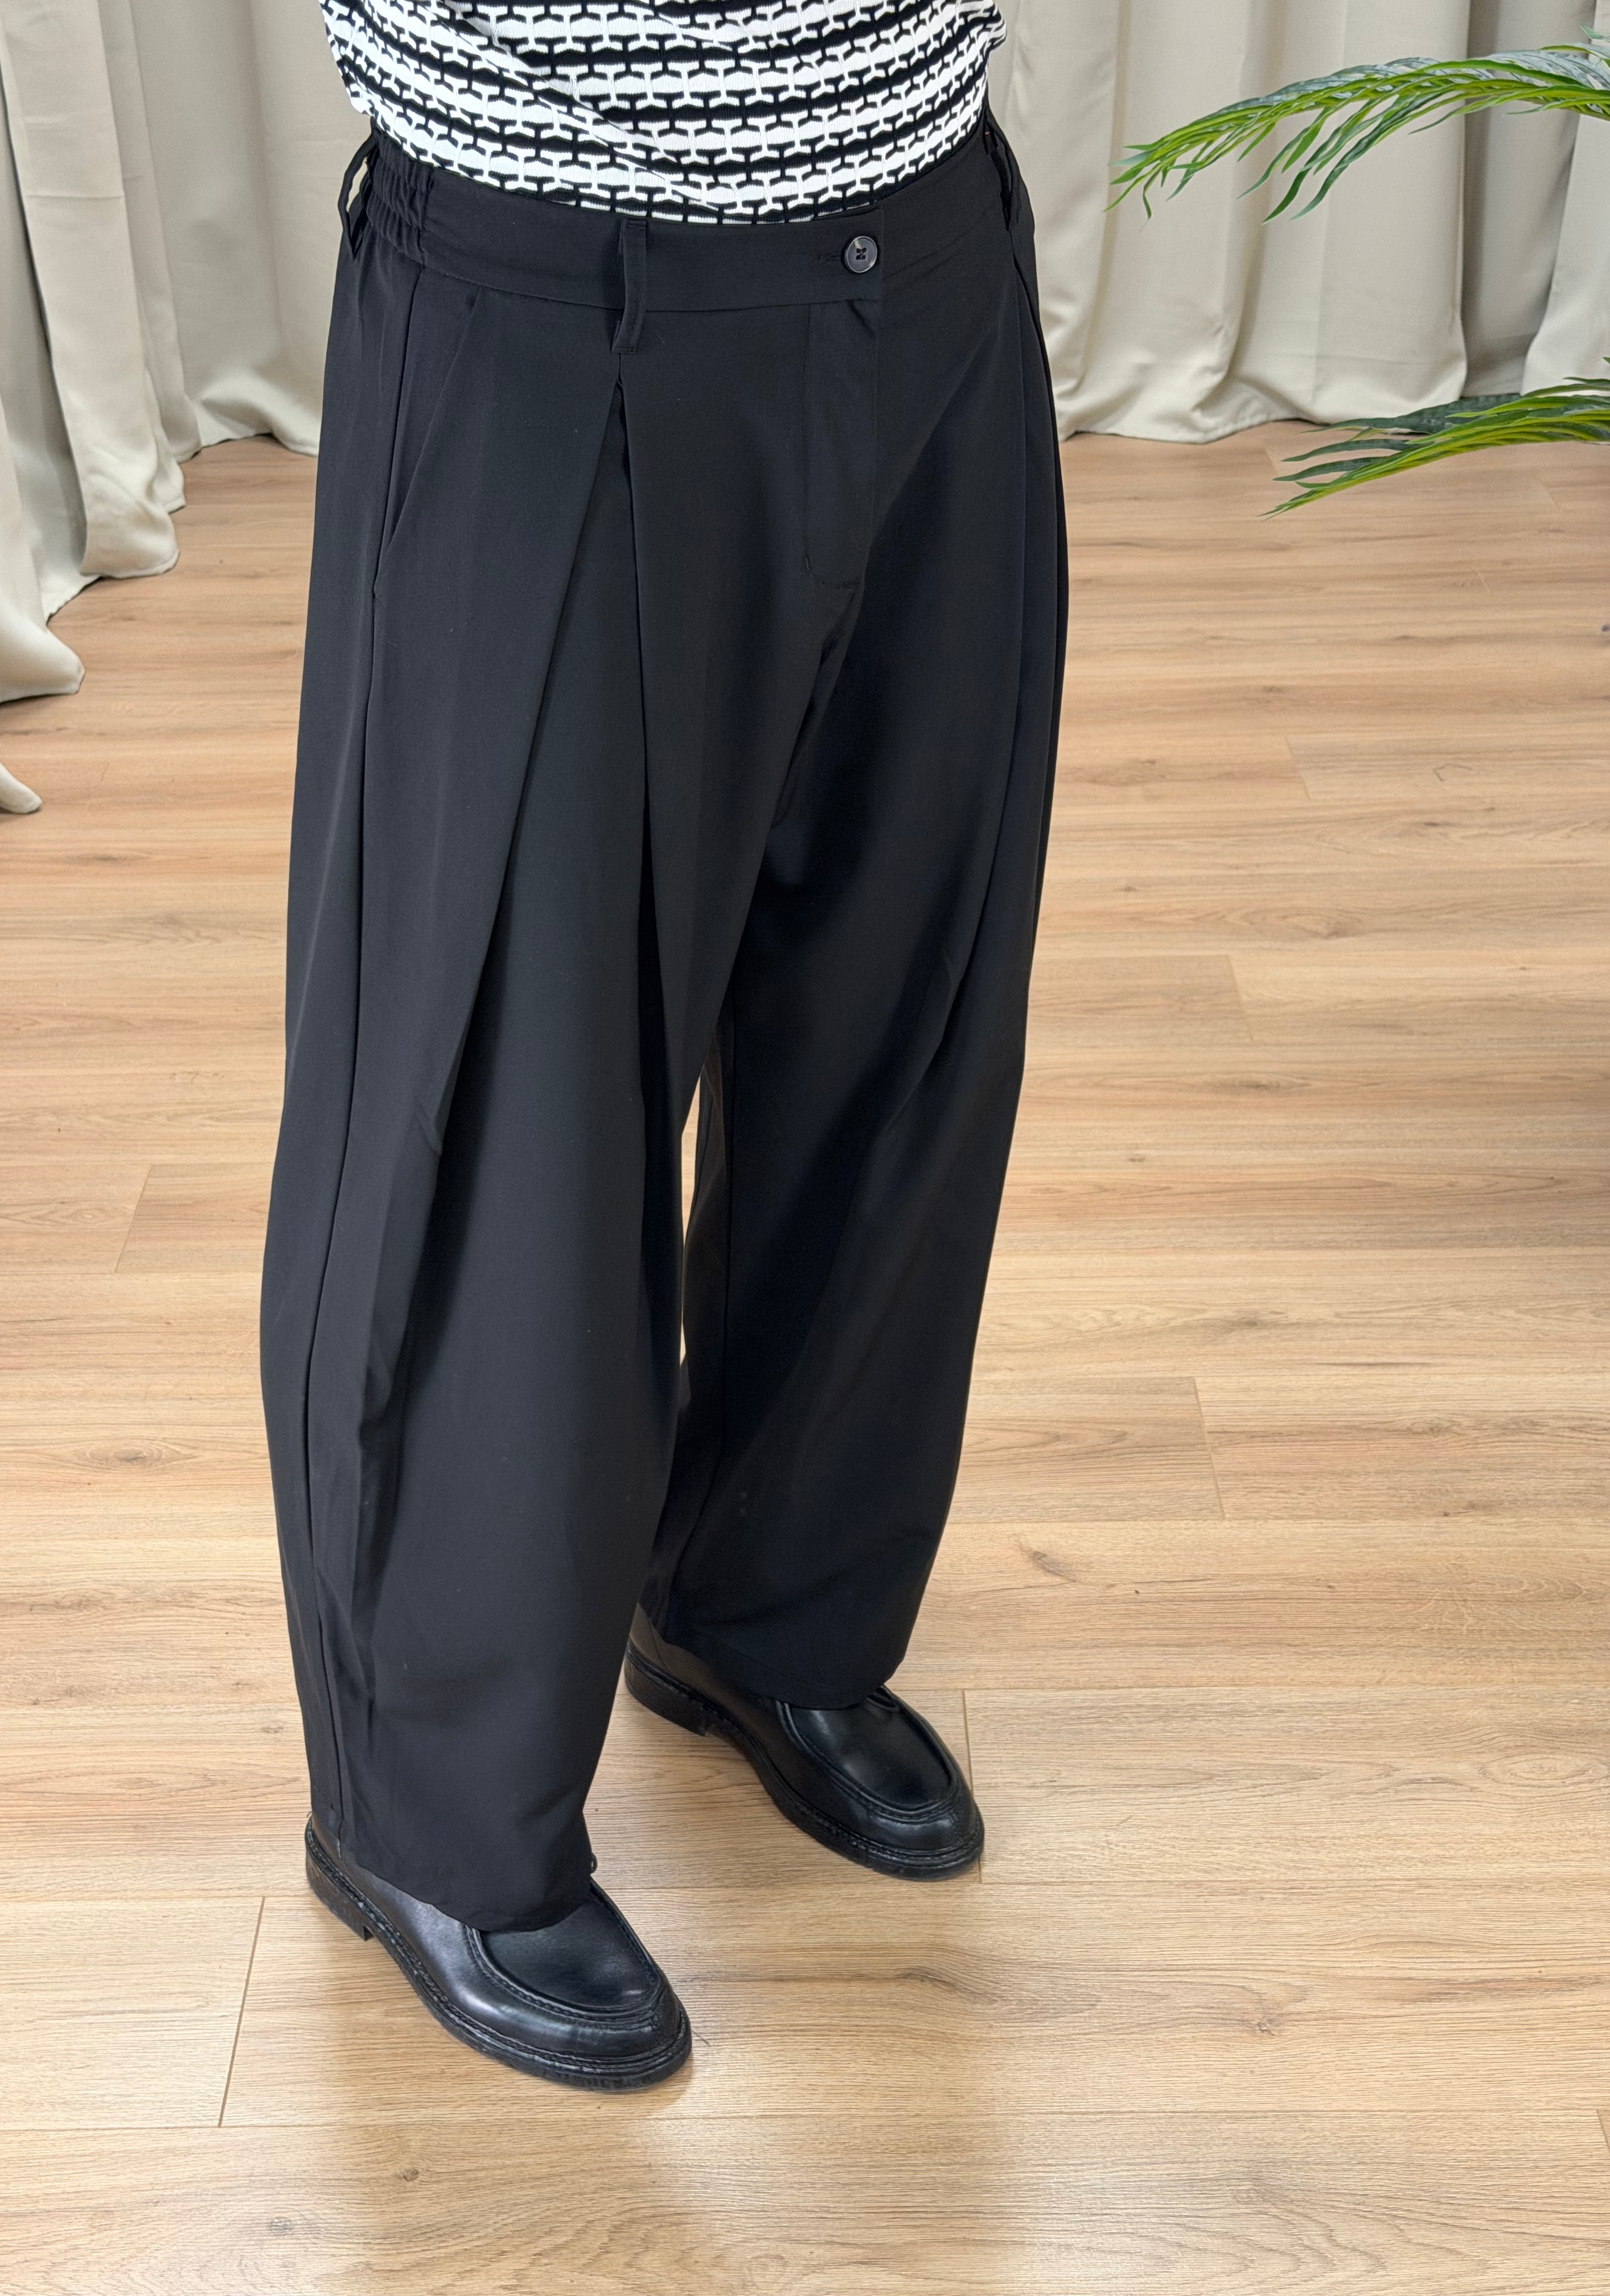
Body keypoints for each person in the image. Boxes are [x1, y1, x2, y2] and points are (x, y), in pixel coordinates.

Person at [261, 1, 1066, 2092]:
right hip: (558, 246)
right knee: (508, 1101)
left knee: (900, 1006)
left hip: (924, 226)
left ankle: (765, 1609)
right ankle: (434, 1809)